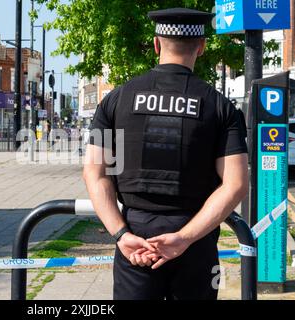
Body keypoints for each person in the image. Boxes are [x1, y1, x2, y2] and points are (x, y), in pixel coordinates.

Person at [82, 8, 248, 300]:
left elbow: (94, 173)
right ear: (202, 47)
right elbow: (235, 184)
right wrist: (184, 238)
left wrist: (122, 235)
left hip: (136, 240)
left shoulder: (116, 99)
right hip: (195, 240)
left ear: (156, 44)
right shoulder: (221, 108)